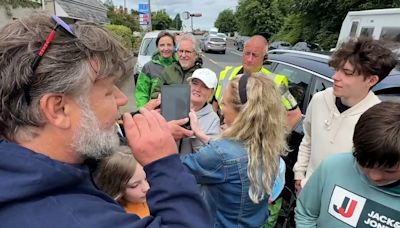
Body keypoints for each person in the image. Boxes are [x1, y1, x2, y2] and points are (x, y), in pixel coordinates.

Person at [0, 14, 211, 227]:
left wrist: (133, 131)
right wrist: (163, 163)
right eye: (109, 91)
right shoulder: (71, 217)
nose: (122, 99)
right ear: (58, 109)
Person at [182, 73, 288, 227]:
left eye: (224, 104)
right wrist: (202, 135)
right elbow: (236, 155)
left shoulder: (221, 154)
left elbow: (177, 169)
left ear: (243, 112)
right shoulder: (267, 146)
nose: (222, 110)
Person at [293, 38, 398, 194]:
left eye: (347, 73)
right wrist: (299, 174)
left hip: (341, 205)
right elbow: (308, 139)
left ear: (371, 80)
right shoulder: (320, 99)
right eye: (337, 69)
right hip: (306, 191)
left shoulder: (377, 119)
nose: (335, 77)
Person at [295, 101, 400, 227]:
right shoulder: (333, 166)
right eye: (364, 164)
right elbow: (306, 213)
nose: (374, 176)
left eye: (389, 171)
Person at [214, 35, 302, 130]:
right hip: (223, 135)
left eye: (255, 55)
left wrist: (273, 140)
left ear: (264, 58)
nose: (249, 59)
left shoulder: (275, 82)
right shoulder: (227, 73)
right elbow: (215, 103)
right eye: (247, 53)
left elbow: (294, 115)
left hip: (251, 141)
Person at [95, 146, 150, 218]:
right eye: (135, 185)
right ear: (116, 188)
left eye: (147, 178)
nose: (147, 187)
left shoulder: (155, 196)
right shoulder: (120, 218)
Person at [179, 68, 220, 155]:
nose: (197, 89)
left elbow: (210, 156)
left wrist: (197, 133)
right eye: (195, 83)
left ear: (211, 92)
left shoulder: (213, 119)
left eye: (204, 86)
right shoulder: (173, 104)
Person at [150, 33, 202, 98]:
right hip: (170, 107)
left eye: (188, 52)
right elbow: (154, 94)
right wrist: (164, 95)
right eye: (181, 51)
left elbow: (208, 100)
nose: (183, 55)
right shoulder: (168, 71)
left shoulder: (201, 75)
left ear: (196, 55)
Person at [135, 31, 178, 108]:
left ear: (174, 46)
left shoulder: (179, 65)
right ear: (157, 47)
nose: (166, 48)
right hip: (155, 113)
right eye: (162, 45)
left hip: (176, 110)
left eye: (169, 45)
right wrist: (143, 111)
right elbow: (141, 93)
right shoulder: (148, 67)